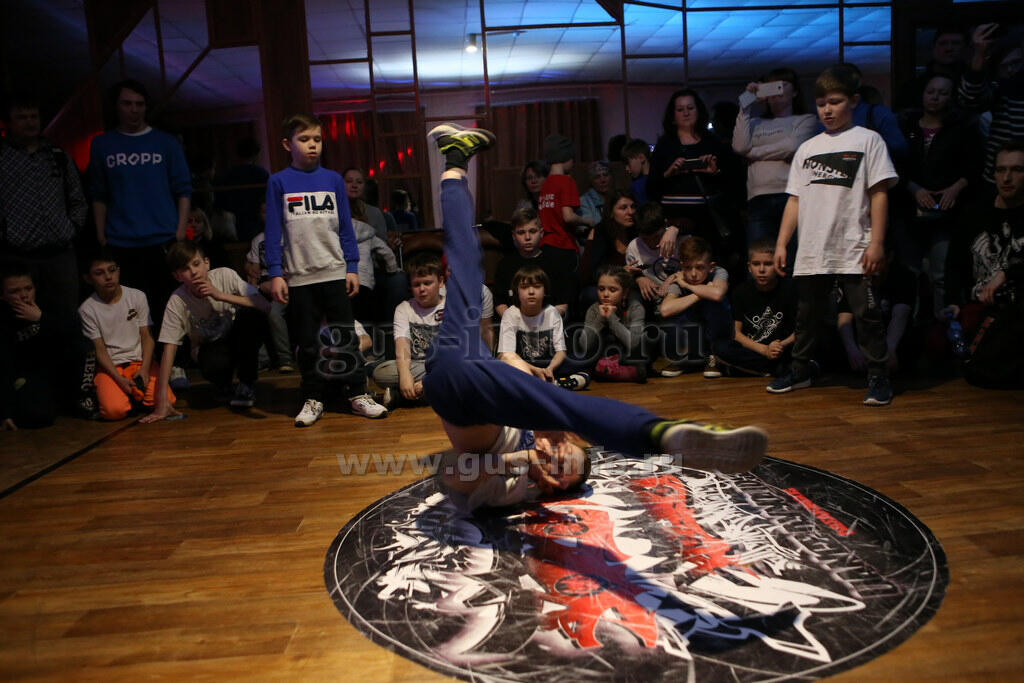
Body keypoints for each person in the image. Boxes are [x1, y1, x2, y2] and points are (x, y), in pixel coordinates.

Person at [422, 123, 766, 508]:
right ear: (572, 444)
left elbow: (450, 471)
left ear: (553, 485)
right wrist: (538, 409)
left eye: (559, 469)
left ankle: (655, 435)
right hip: (468, 359)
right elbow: (510, 365)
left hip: (457, 392)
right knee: (466, 265)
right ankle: (454, 161)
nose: (555, 458)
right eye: (567, 456)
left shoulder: (515, 485)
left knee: (565, 407)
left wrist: (525, 458)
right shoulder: (545, 423)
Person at [768, 66, 899, 406]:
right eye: (821, 103)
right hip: (814, 247)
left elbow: (879, 193)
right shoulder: (807, 148)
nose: (827, 110)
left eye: (835, 102)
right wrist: (781, 243)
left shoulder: (869, 140)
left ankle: (878, 376)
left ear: (853, 101)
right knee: (807, 315)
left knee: (867, 315)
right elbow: (794, 200)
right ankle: (800, 370)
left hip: (855, 244)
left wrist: (877, 242)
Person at [265, 114, 387, 427]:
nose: (312, 145)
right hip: (300, 276)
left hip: (334, 271)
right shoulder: (278, 182)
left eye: (317, 139)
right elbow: (273, 230)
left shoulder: (333, 180)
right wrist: (276, 272)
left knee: (346, 337)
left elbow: (345, 227)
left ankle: (357, 393)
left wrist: (352, 266)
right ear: (287, 144)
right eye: (304, 139)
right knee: (308, 343)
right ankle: (313, 397)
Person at [88, 79, 192, 328]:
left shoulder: (166, 143)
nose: (134, 109)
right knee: (129, 311)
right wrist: (101, 234)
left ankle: (172, 352)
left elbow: (184, 189)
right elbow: (98, 193)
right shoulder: (102, 144)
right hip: (121, 240)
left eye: (139, 104)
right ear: (116, 106)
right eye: (127, 103)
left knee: (169, 306)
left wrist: (179, 232)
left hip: (163, 237)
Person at [142, 242, 270, 422]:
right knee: (212, 362)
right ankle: (223, 383)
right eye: (185, 269)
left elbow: (264, 306)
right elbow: (169, 348)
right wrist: (162, 401)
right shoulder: (177, 300)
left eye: (196, 264)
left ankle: (246, 383)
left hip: (236, 338)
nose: (194, 272)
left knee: (252, 316)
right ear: (177, 276)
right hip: (211, 348)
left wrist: (220, 295)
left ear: (206, 263)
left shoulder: (224, 275)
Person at [898, 73, 982, 316]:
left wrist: (956, 188)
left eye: (943, 93)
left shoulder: (962, 128)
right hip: (909, 211)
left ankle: (942, 326)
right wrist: (914, 188)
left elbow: (975, 166)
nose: (935, 97)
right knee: (908, 273)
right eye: (931, 91)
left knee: (942, 273)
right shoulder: (906, 126)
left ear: (951, 97)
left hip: (947, 211)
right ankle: (908, 327)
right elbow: (895, 166)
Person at [0, 92, 87, 319]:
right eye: (22, 117)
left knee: (66, 317)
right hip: (18, 256)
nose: (30, 122)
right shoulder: (3, 158)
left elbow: (77, 198)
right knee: (21, 319)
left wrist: (72, 228)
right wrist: (5, 237)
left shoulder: (57, 155)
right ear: (9, 122)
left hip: (60, 254)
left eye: (34, 116)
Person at [79, 248, 174, 420]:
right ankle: (126, 396)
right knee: (114, 411)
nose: (108, 277)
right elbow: (99, 349)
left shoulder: (136, 296)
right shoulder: (87, 309)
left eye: (112, 270)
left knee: (164, 400)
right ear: (88, 278)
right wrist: (118, 378)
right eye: (99, 273)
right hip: (112, 367)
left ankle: (135, 396)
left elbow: (147, 336)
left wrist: (145, 368)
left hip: (140, 363)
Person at [1, 265, 97, 429]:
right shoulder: (3, 320)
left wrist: (41, 318)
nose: (24, 295)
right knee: (39, 416)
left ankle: (83, 398)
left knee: (85, 346)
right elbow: (4, 367)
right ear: (2, 295)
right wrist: (5, 412)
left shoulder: (47, 303)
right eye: (14, 291)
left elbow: (74, 334)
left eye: (28, 288)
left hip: (55, 368)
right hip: (27, 376)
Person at [732, 68, 817, 248]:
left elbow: (791, 147)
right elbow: (739, 146)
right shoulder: (754, 123)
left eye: (782, 85)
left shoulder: (806, 120)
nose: (777, 90)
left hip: (790, 195)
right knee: (759, 253)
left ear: (794, 91)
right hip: (758, 196)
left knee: (790, 252)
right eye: (771, 86)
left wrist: (752, 153)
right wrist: (746, 102)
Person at [648, 89, 737, 253]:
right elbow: (651, 186)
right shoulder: (665, 145)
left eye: (690, 108)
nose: (686, 113)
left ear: (698, 111)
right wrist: (669, 172)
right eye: (680, 109)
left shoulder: (712, 142)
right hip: (673, 217)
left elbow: (731, 183)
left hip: (707, 218)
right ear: (673, 115)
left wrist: (714, 172)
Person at [497, 265, 589, 390]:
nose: (531, 292)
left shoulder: (552, 312)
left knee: (580, 359)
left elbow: (561, 351)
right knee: (502, 363)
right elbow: (506, 354)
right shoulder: (510, 314)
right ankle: (553, 384)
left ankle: (540, 382)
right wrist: (534, 370)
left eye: (537, 286)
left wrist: (549, 368)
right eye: (524, 287)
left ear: (545, 291)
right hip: (522, 364)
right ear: (516, 291)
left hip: (548, 364)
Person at [372, 253, 445, 407]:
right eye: (416, 285)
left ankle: (402, 396)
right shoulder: (404, 308)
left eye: (427, 283)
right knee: (381, 372)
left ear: (440, 282)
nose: (422, 289)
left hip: (447, 365)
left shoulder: (453, 305)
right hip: (417, 366)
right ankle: (430, 392)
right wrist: (405, 375)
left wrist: (429, 380)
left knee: (464, 369)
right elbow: (402, 345)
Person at [715, 239, 796, 378]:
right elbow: (736, 333)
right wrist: (764, 350)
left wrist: (780, 346)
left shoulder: (789, 289)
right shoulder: (740, 291)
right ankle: (775, 369)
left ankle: (756, 369)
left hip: (781, 348)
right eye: (756, 264)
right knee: (720, 346)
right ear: (749, 267)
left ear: (777, 264)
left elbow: (800, 330)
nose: (761, 270)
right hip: (755, 349)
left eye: (768, 264)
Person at [959, 23, 1024, 189]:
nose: (1011, 70)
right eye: (1004, 66)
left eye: (1016, 63)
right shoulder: (997, 88)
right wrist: (979, 54)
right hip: (999, 178)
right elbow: (970, 99)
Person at [658, 235, 732, 378]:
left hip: (717, 333)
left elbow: (717, 294)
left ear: (710, 267)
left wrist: (687, 286)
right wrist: (700, 293)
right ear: (682, 267)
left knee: (715, 305)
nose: (693, 274)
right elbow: (665, 310)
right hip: (694, 333)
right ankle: (684, 358)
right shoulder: (679, 279)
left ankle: (714, 357)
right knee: (672, 315)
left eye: (699, 267)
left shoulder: (718, 272)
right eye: (688, 267)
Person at [493, 206, 573, 318]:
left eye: (532, 231)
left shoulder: (556, 263)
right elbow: (499, 302)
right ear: (514, 236)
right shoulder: (505, 265)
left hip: (548, 321)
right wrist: (514, 321)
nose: (527, 237)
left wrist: (541, 321)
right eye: (521, 232)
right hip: (515, 322)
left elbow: (563, 303)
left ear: (541, 233)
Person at [580, 265, 647, 383]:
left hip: (626, 355)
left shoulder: (635, 308)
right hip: (602, 353)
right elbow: (585, 345)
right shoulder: (594, 309)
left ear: (625, 292)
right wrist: (600, 318)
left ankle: (611, 370)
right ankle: (605, 369)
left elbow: (633, 343)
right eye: (601, 289)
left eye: (612, 290)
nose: (605, 294)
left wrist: (611, 318)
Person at [245, 218, 294, 373]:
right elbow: (253, 272)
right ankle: (261, 360)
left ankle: (285, 359)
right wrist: (258, 287)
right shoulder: (259, 239)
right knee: (250, 309)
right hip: (265, 282)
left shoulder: (291, 234)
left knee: (273, 311)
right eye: (264, 212)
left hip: (290, 282)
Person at [538, 134, 592, 261]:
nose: (573, 163)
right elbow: (568, 217)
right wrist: (588, 221)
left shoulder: (545, 184)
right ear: (565, 157)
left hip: (545, 244)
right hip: (563, 245)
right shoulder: (567, 181)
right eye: (572, 158)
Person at [894, 26, 969, 112]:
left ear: (966, 48)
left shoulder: (972, 83)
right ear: (934, 48)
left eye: (956, 43)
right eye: (943, 43)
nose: (949, 48)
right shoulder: (913, 87)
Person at [214, 137, 269, 243]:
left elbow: (220, 202)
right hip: (254, 222)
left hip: (233, 224)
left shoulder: (226, 174)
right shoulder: (261, 174)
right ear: (256, 154)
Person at [579, 161, 615, 227]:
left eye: (605, 175)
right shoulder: (584, 201)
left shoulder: (618, 197)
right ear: (591, 181)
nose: (603, 180)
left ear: (611, 177)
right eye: (597, 177)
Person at [621, 139, 651, 205]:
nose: (626, 168)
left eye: (628, 163)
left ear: (641, 158)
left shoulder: (637, 186)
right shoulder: (659, 178)